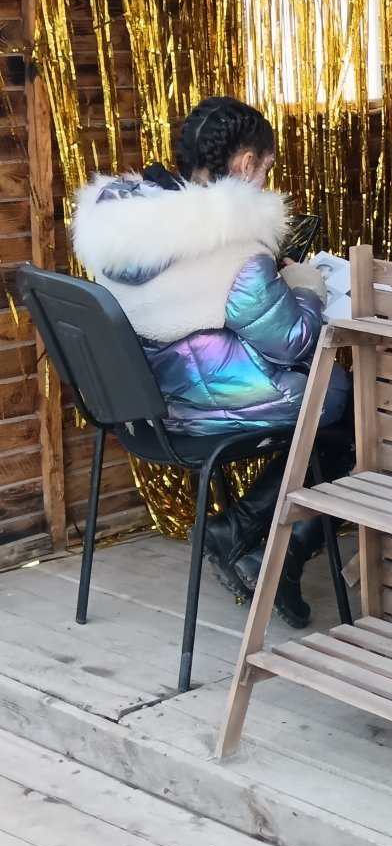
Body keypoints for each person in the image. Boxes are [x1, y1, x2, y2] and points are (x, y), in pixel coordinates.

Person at [69, 96, 351, 628]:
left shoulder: (126, 220)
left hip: (143, 401)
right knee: (347, 406)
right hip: (196, 408)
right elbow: (292, 341)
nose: (266, 182)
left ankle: (240, 534)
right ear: (246, 164)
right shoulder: (232, 248)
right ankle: (259, 543)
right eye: (266, 169)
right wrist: (306, 285)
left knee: (331, 412)